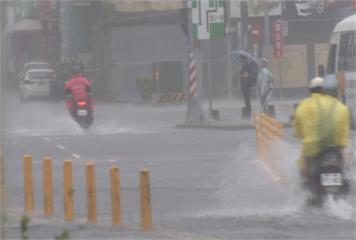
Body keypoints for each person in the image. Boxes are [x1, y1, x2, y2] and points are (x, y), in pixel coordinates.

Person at [293, 77, 350, 185]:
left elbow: (299, 130)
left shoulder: (304, 105)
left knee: (304, 166)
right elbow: (342, 131)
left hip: (312, 148)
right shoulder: (337, 106)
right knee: (344, 159)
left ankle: (307, 182)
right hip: (335, 146)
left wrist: (301, 134)